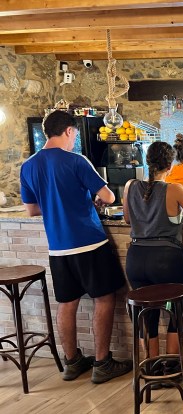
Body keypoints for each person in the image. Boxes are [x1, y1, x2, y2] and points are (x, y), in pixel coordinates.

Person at [19, 110, 133, 384]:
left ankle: (72, 362)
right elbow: (109, 196)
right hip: (89, 241)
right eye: (74, 135)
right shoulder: (76, 160)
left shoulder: (28, 166)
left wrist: (58, 204)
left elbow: (32, 210)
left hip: (58, 248)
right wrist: (86, 200)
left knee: (67, 303)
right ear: (69, 131)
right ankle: (102, 363)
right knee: (104, 298)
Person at [123, 141, 183, 374]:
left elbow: (128, 220)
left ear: (147, 162)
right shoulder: (174, 189)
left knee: (147, 314)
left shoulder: (130, 186)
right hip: (166, 260)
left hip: (135, 258)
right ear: (170, 165)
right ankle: (171, 366)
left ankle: (151, 367)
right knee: (176, 309)